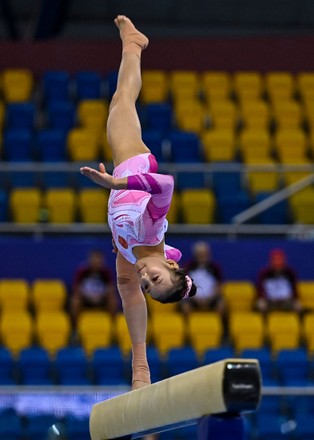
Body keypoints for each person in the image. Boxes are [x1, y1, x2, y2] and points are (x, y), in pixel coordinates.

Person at [80, 15, 197, 390]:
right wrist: (115, 181)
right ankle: (134, 43)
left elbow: (131, 301)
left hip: (123, 179)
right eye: (156, 277)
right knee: (121, 99)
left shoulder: (135, 260)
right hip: (134, 163)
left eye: (149, 286)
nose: (145, 279)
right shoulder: (151, 230)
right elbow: (165, 184)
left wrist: (140, 368)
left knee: (120, 101)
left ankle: (133, 44)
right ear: (169, 265)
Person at [70, 249, 118, 325]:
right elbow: (76, 288)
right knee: (75, 301)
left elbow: (111, 288)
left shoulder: (106, 272)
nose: (96, 262)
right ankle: (75, 327)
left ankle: (112, 326)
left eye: (98, 260)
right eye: (94, 259)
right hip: (86, 298)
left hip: (101, 298)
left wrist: (100, 296)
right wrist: (88, 296)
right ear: (90, 260)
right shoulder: (82, 271)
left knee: (113, 300)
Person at [179, 241, 225, 316]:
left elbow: (219, 285)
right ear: (196, 255)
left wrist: (211, 298)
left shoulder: (215, 268)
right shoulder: (188, 267)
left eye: (204, 254)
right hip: (193, 298)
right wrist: (194, 298)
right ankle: (187, 326)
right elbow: (185, 285)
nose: (202, 256)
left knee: (221, 304)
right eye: (200, 254)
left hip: (211, 298)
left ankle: (221, 326)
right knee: (185, 306)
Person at [255, 248, 301, 314]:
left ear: (284, 260)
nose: (278, 261)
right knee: (260, 305)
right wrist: (262, 298)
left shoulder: (290, 273)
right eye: (275, 259)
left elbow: (294, 288)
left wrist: (296, 299)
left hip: (286, 301)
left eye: (280, 259)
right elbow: (260, 288)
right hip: (270, 301)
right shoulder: (264, 273)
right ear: (271, 261)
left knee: (298, 306)